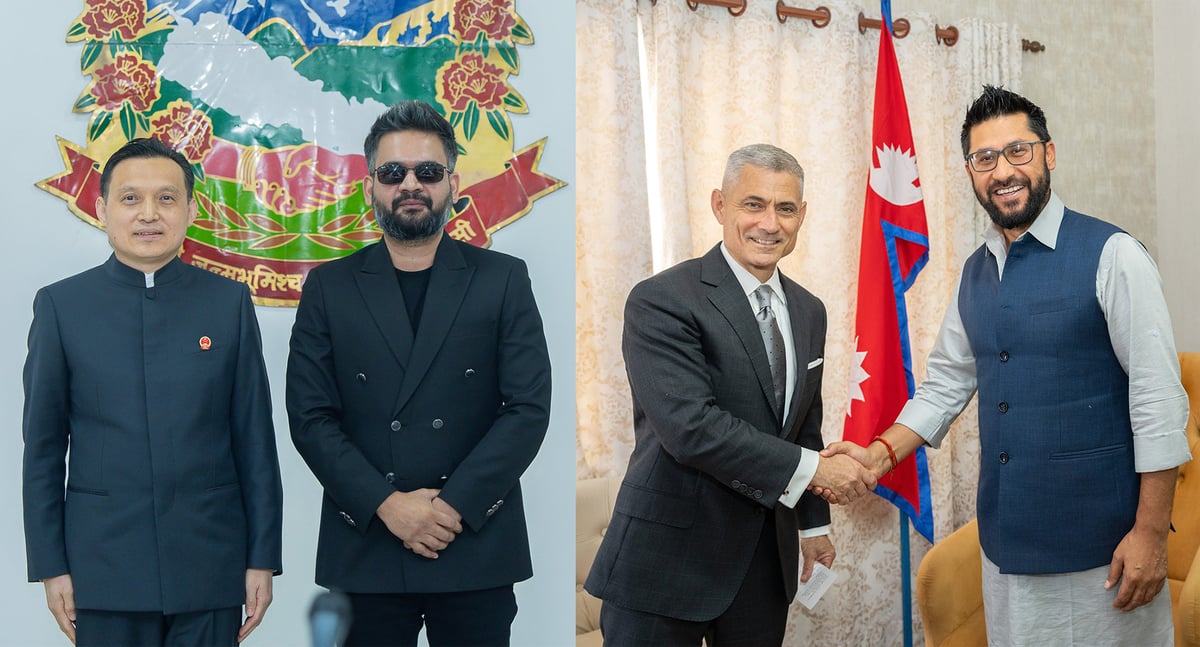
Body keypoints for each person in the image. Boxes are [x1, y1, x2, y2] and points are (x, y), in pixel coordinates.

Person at [818, 85, 1191, 646]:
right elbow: (944, 386)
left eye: (1018, 151)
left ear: (1049, 154)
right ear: (971, 172)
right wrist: (875, 455)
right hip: (1005, 546)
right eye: (984, 158)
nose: (1002, 171)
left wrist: (1149, 534)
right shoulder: (974, 272)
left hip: (1101, 553)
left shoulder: (1114, 255)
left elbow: (1159, 400)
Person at [584, 144, 878, 646]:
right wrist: (818, 471)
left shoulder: (810, 310)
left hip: (763, 567)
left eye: (785, 209)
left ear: (802, 216)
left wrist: (812, 529)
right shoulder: (663, 299)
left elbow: (803, 426)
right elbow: (691, 429)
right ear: (720, 205)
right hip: (663, 565)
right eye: (753, 204)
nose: (770, 223)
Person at [285, 100, 552, 647]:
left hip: (473, 538)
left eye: (427, 172)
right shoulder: (329, 288)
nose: (411, 185)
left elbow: (527, 408)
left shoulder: (502, 279)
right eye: (393, 173)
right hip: (366, 543)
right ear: (370, 188)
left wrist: (450, 508)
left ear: (452, 184)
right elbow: (310, 417)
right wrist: (389, 506)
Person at [22, 137, 284, 646]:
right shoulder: (62, 307)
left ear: (190, 209)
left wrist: (261, 558)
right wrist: (51, 566)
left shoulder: (228, 301)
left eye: (166, 198)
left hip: (210, 563)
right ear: (101, 209)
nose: (149, 214)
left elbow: (254, 440)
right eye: (129, 198)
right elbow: (44, 450)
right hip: (102, 568)